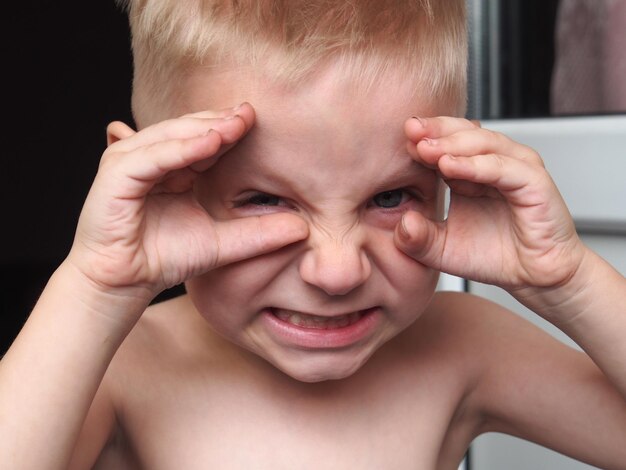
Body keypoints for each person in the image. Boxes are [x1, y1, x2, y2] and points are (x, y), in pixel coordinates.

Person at [1, 0, 625, 468]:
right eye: (263, 199)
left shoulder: (462, 343)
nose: (337, 272)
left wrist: (568, 280)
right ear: (156, 188)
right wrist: (95, 286)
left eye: (389, 196)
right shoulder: (126, 365)